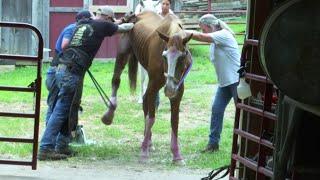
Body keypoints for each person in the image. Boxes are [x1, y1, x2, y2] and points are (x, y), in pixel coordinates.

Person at [38, 6, 135, 160]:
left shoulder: (80, 25)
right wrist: (137, 22)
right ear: (107, 18)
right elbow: (124, 28)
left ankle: (61, 146)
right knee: (61, 110)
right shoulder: (103, 25)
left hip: (61, 67)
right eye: (110, 20)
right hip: (72, 72)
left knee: (63, 109)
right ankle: (45, 148)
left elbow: (112, 24)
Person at [185, 14, 240, 152]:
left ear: (210, 27)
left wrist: (182, 32)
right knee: (216, 110)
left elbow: (201, 37)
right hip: (224, 83)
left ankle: (243, 143)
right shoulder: (215, 41)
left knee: (241, 114)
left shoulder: (223, 34)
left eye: (203, 29)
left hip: (236, 81)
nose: (203, 32)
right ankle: (213, 144)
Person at [43, 10, 92, 159]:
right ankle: (49, 145)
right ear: (85, 20)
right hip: (62, 69)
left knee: (53, 107)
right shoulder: (73, 29)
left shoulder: (70, 27)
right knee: (61, 109)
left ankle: (52, 143)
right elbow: (65, 45)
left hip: (55, 68)